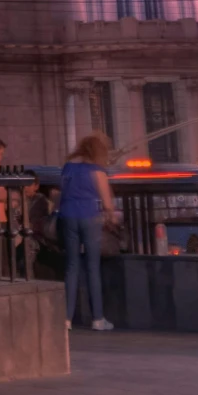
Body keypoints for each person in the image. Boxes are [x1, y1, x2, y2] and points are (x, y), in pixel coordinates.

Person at [57, 132, 118, 331]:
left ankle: (66, 318)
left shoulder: (67, 168)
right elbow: (108, 204)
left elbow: (60, 192)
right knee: (92, 267)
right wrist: (111, 217)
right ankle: (98, 318)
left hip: (67, 216)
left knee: (72, 266)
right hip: (89, 217)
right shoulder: (97, 171)